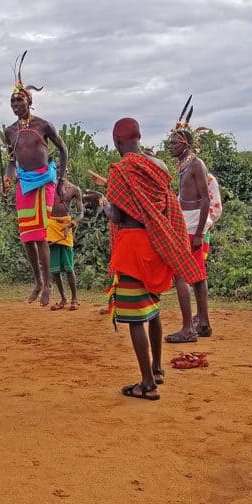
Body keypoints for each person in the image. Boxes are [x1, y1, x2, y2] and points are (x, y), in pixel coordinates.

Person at [83, 118, 204, 401]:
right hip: (156, 243)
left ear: (116, 142)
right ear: (139, 137)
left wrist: (101, 203)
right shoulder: (158, 165)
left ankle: (147, 384)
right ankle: (158, 368)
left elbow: (119, 215)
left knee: (136, 318)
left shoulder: (121, 170)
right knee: (153, 310)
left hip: (132, 248)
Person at [2, 51, 69, 307]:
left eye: (19, 102)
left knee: (40, 234)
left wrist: (61, 179)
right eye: (12, 104)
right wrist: (7, 180)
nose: (16, 106)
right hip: (24, 182)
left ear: (29, 102)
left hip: (45, 180)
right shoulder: (10, 131)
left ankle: (49, 285)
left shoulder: (43, 125)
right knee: (26, 235)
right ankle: (38, 280)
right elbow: (10, 162)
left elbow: (63, 149)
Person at [164, 99, 214, 343]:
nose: (170, 146)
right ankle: (202, 321)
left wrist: (199, 234)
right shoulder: (183, 165)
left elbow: (205, 200)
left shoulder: (196, 164)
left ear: (185, 143)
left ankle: (188, 328)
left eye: (174, 142)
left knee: (181, 273)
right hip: (186, 221)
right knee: (196, 273)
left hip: (193, 223)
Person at [46, 178, 84, 311]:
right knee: (54, 268)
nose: (59, 171)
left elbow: (81, 213)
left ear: (67, 171)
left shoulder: (74, 189)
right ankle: (63, 298)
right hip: (51, 226)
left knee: (69, 266)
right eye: (57, 168)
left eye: (62, 168)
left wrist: (72, 223)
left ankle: (74, 298)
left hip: (66, 226)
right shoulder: (48, 187)